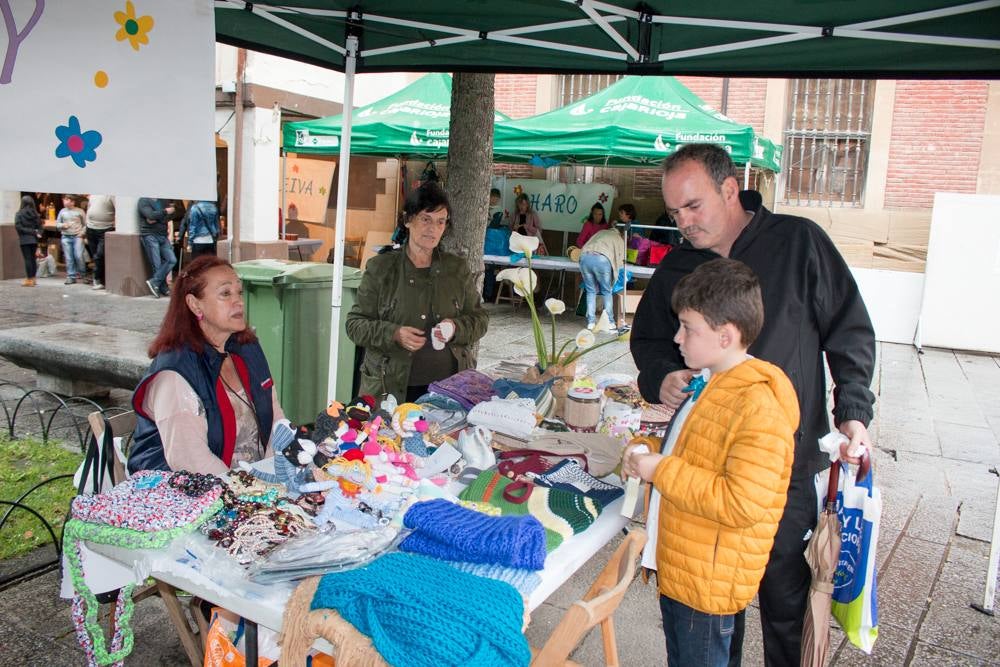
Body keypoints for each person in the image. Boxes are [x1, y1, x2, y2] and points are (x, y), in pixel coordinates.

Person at [629, 143, 876, 666]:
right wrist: (662, 378)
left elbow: (849, 328)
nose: (684, 223)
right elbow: (647, 342)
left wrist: (853, 411)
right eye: (674, 213)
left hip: (785, 468)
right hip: (706, 476)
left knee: (785, 604)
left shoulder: (798, 241)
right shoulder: (679, 265)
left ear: (728, 189)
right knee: (715, 610)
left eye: (693, 207)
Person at [623, 258, 798, 667]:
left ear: (726, 336)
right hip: (688, 565)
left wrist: (659, 470)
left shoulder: (758, 407)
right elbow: (692, 450)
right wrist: (647, 449)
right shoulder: (710, 383)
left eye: (688, 327)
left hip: (708, 583)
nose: (676, 337)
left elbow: (740, 502)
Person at [128, 255, 286, 475]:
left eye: (239, 292)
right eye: (225, 294)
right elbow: (191, 461)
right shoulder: (175, 373)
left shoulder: (246, 348)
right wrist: (248, 492)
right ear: (194, 304)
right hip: (188, 492)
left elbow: (275, 416)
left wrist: (275, 472)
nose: (239, 301)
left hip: (249, 482)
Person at [346, 182, 489, 403]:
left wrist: (455, 327)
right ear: (407, 220)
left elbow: (480, 320)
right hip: (390, 389)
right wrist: (394, 333)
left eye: (440, 222)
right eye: (425, 219)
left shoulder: (456, 269)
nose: (433, 229)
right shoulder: (381, 268)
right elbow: (355, 325)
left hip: (449, 390)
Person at [579, 225, 626, 332]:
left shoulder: (601, 232)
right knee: (606, 291)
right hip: (601, 259)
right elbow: (621, 260)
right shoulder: (619, 238)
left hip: (585, 257)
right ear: (621, 234)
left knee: (590, 291)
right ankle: (610, 322)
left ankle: (591, 323)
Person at [137, 197, 177, 298]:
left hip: (163, 235)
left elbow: (173, 215)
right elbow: (150, 215)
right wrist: (164, 212)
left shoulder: (163, 200)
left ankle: (154, 281)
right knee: (157, 264)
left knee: (172, 260)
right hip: (150, 235)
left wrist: (157, 216)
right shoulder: (143, 200)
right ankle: (163, 287)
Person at [85, 194, 115, 290]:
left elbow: (119, 209)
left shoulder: (111, 195)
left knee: (99, 255)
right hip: (90, 228)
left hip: (105, 228)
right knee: (95, 256)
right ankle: (99, 279)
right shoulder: (93, 194)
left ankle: (97, 279)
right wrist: (86, 225)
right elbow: (89, 208)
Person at [55, 194, 86, 285]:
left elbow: (85, 224)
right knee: (69, 258)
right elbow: (57, 224)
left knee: (79, 255)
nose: (64, 201)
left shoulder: (80, 211)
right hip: (65, 236)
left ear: (72, 201)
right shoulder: (62, 211)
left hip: (77, 236)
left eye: (67, 200)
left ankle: (83, 274)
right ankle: (71, 276)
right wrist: (62, 225)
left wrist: (82, 233)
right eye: (64, 200)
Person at [15, 195, 43, 286]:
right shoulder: (36, 214)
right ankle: (34, 279)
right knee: (33, 259)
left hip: (24, 239)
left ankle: (29, 279)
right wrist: (36, 233)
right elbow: (40, 228)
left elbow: (18, 227)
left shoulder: (19, 214)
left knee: (27, 259)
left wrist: (31, 232)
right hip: (34, 240)